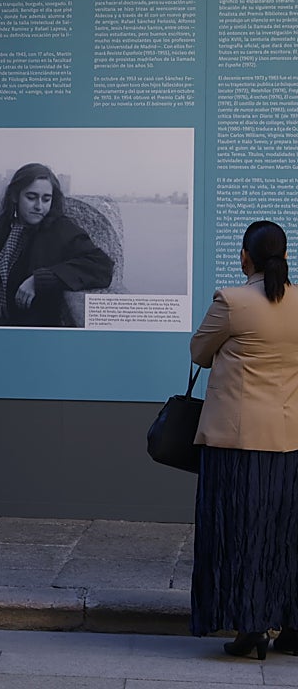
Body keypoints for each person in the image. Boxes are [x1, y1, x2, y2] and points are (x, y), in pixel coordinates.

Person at [189, 220, 298, 660]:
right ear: (286, 257)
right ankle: (290, 626)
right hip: (289, 440)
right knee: (284, 535)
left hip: (236, 443)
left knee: (238, 533)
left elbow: (198, 351)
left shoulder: (231, 302)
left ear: (244, 257)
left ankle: (250, 627)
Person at [0, 162, 112, 327]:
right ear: (15, 196)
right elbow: (3, 277)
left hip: (31, 334)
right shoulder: (8, 228)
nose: (39, 206)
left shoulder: (60, 229)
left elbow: (102, 266)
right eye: (31, 197)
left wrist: (39, 280)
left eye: (46, 199)